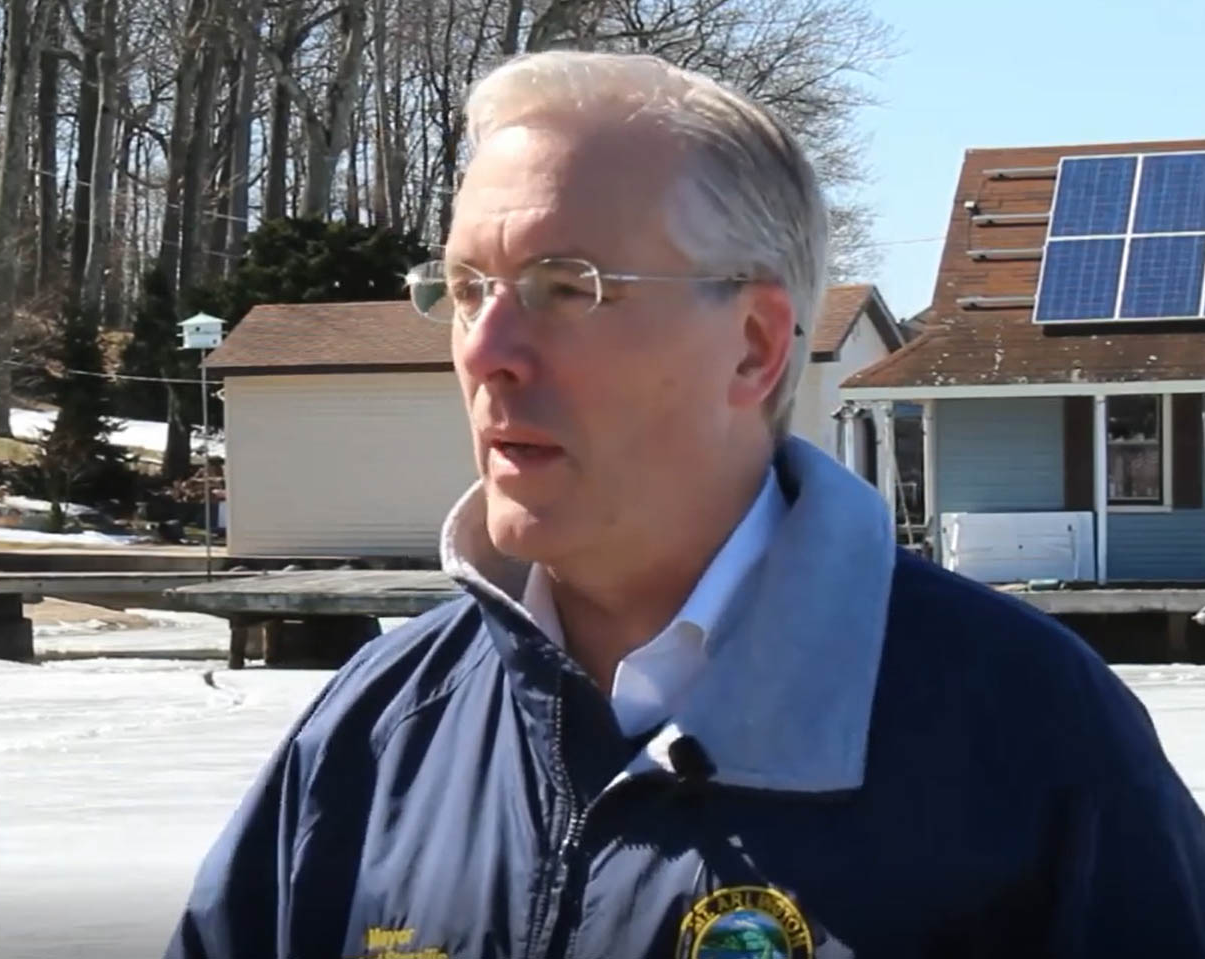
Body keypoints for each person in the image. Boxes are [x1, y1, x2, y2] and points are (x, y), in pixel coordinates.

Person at [165, 51, 1205, 959]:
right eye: (465, 287)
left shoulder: (1028, 741)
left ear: (752, 345)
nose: (484, 352)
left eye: (562, 288)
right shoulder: (381, 726)